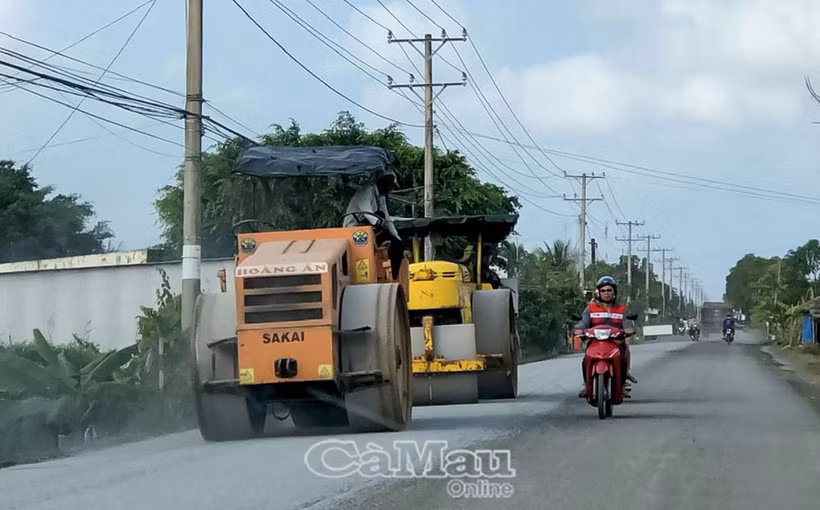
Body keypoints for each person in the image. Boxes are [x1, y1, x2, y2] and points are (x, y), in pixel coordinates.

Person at [574, 276, 637, 398]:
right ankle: (587, 386)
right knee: (585, 360)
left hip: (616, 343)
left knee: (623, 359)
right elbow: (583, 322)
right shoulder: (590, 308)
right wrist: (578, 329)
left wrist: (628, 329)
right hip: (595, 343)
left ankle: (622, 384)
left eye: (609, 290)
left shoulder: (621, 309)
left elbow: (627, 323)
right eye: (603, 291)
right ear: (599, 292)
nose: (606, 293)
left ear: (614, 292)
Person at [343, 174, 404, 279]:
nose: (391, 190)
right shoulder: (366, 191)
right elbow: (365, 210)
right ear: (385, 183)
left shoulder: (381, 197)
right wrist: (378, 222)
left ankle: (394, 277)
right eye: (391, 186)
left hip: (371, 230)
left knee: (398, 245)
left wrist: (397, 236)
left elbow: (387, 218)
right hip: (354, 229)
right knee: (379, 215)